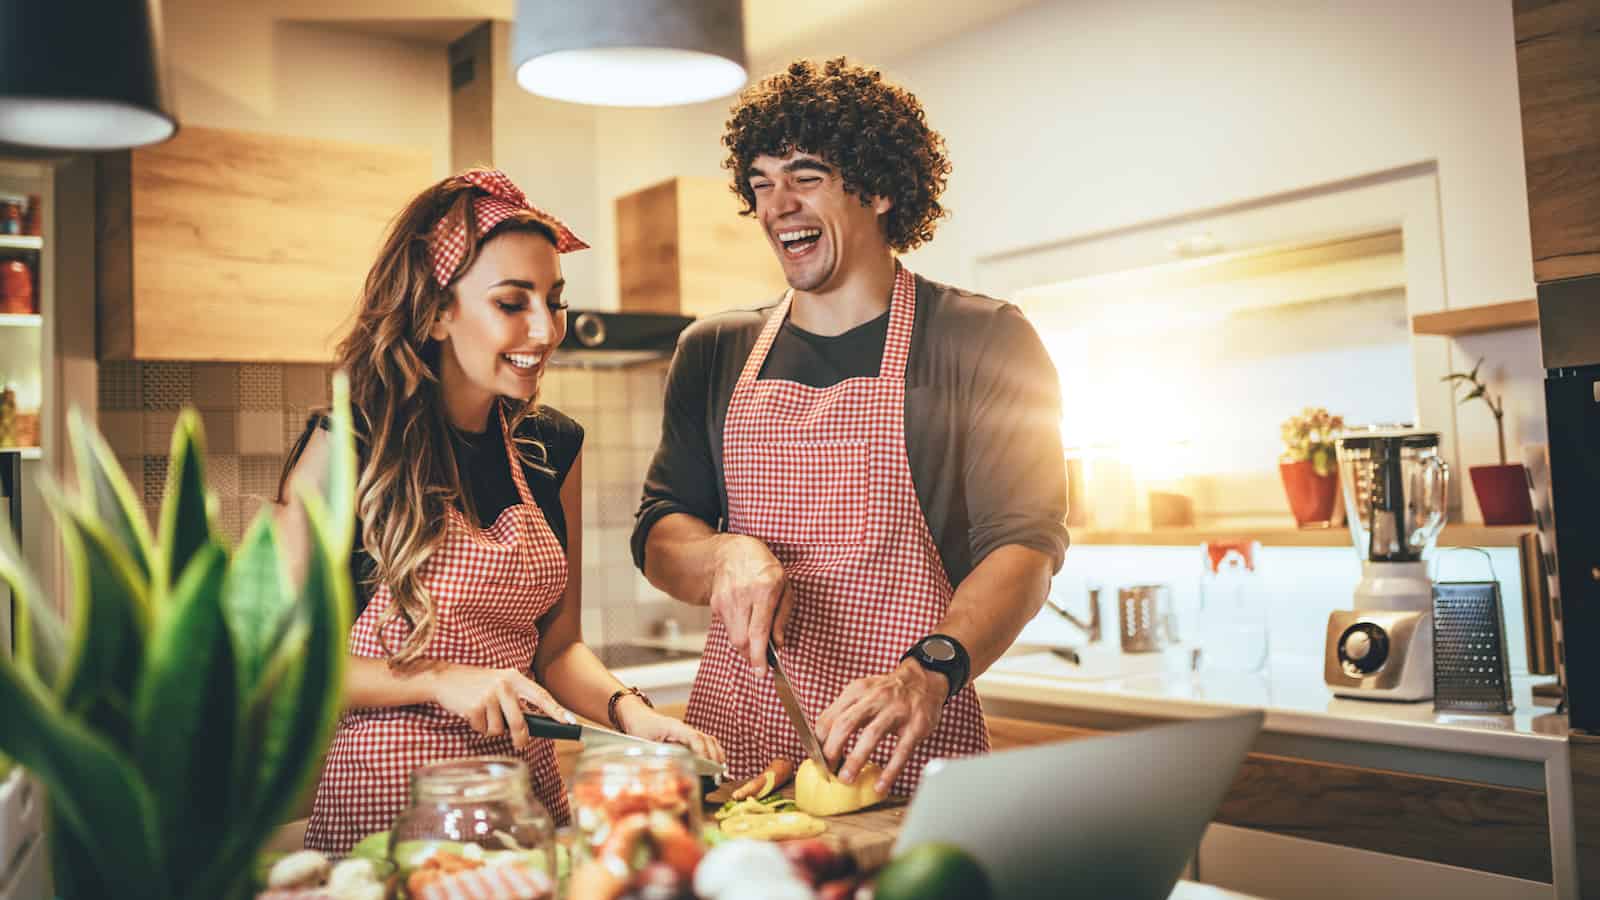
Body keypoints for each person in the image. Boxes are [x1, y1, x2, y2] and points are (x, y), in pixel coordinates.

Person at [633, 59, 1069, 798]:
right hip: (738, 761)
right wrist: (723, 555)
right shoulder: (714, 351)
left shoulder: (981, 338)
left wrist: (926, 672)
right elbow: (658, 533)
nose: (778, 206)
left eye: (806, 175)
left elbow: (1025, 547)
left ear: (882, 186)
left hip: (908, 750)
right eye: (762, 182)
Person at [282, 168, 724, 854]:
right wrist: (436, 679)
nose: (546, 330)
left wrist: (633, 715)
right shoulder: (347, 448)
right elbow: (284, 665)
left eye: (553, 300)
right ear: (436, 311)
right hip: (390, 819)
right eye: (512, 303)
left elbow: (559, 649)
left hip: (525, 806)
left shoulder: (553, 449)